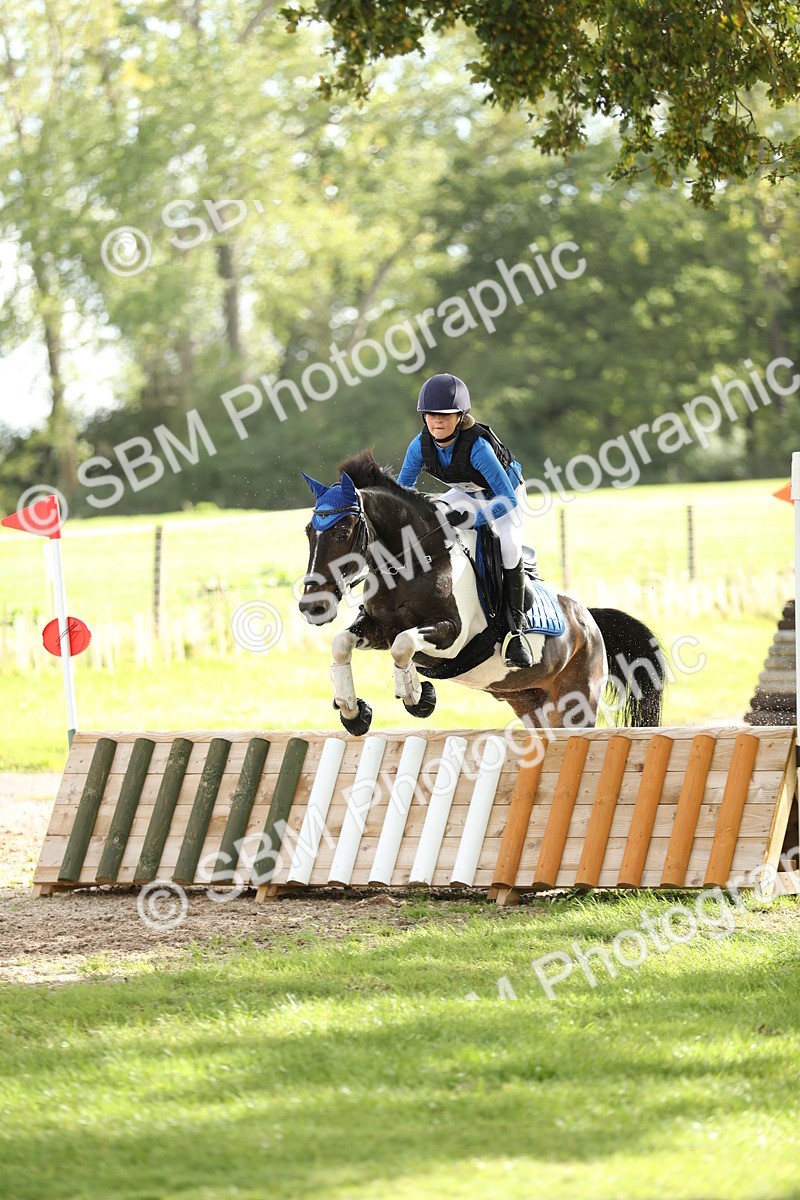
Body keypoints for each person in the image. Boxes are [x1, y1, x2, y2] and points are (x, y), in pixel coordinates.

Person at [396, 372, 534, 669]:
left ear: (460, 417)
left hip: (504, 494)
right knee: (434, 521)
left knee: (509, 546)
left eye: (445, 415)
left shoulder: (478, 448)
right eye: (431, 415)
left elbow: (507, 499)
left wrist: (473, 521)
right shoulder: (419, 446)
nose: (437, 421)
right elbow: (401, 492)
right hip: (465, 491)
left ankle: (516, 632)